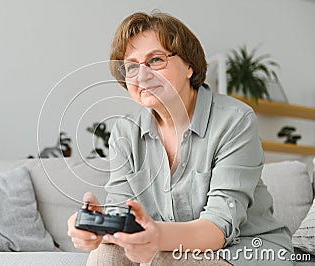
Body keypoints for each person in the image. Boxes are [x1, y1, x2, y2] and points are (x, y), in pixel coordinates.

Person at [67, 11, 294, 265]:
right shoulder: (125, 132)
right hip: (170, 246)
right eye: (132, 66)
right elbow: (123, 214)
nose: (142, 76)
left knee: (164, 259)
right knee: (105, 254)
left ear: (189, 66)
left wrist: (155, 238)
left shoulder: (235, 120)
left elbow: (218, 228)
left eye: (155, 60)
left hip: (245, 250)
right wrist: (99, 230)